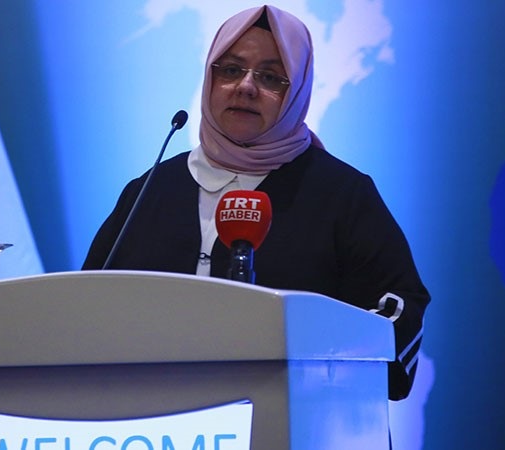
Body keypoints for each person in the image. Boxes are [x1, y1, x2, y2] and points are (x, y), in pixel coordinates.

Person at [82, 4, 429, 401]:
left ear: (297, 91)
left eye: (270, 77)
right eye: (230, 70)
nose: (245, 86)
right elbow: (87, 307)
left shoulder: (342, 194)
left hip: (301, 415)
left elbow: (397, 312)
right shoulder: (149, 190)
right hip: (152, 418)